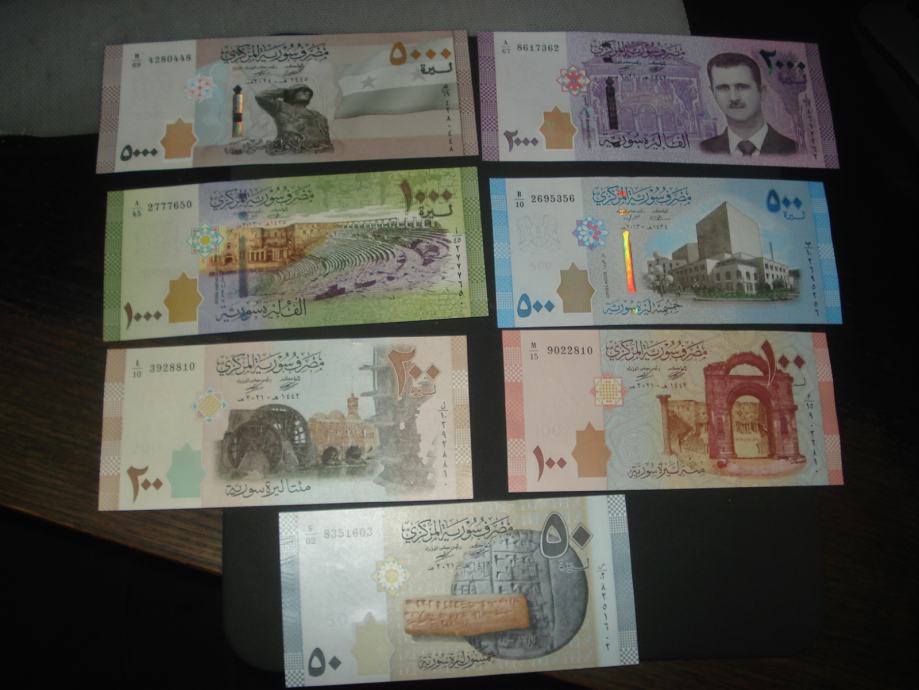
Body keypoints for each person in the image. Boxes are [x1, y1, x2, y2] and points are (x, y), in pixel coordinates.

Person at [699, 53, 797, 156]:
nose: (734, 98)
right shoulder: (704, 150)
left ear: (762, 92)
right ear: (713, 93)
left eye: (742, 87)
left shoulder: (794, 150)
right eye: (723, 88)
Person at [254, 85, 333, 154]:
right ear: (293, 93)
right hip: (289, 150)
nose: (307, 93)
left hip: (315, 152)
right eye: (303, 91)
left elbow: (326, 139)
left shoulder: (318, 116)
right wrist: (285, 92)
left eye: (309, 92)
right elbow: (260, 96)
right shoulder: (280, 107)